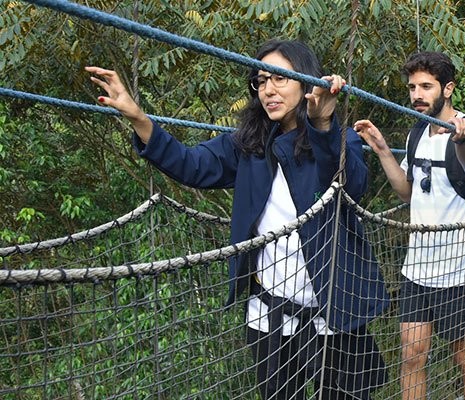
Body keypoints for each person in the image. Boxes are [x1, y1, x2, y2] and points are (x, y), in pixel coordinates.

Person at [87, 39, 389, 400]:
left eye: (279, 78)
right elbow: (192, 165)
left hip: (336, 314)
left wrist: (322, 124)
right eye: (260, 81)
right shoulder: (248, 144)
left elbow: (352, 186)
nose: (268, 90)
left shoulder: (339, 139)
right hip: (271, 318)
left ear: (307, 82)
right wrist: (139, 118)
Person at [353, 51, 465, 400]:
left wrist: (462, 139)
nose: (417, 94)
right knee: (412, 354)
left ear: (448, 89)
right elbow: (407, 193)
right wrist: (383, 150)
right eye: (413, 87)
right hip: (418, 266)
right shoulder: (417, 134)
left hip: (462, 267)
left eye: (426, 86)